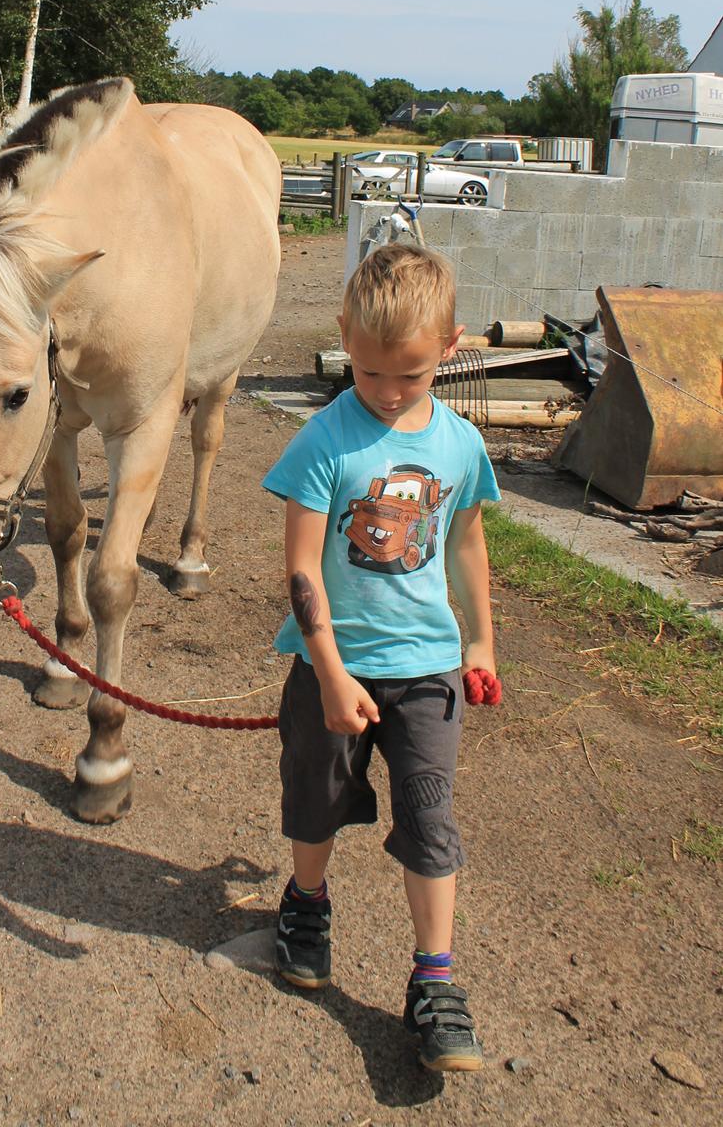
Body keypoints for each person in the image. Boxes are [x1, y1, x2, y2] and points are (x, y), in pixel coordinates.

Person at [263, 242, 503, 1073]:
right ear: (343, 339)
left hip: (429, 671)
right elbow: (299, 565)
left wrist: (479, 639)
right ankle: (305, 902)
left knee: (430, 819)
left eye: (410, 375)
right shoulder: (325, 440)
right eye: (368, 374)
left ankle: (433, 979)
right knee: (315, 796)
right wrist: (328, 670)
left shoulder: (461, 443)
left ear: (449, 347)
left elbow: (466, 541)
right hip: (334, 667)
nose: (389, 393)